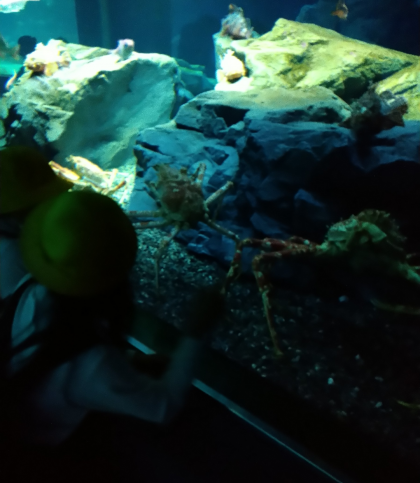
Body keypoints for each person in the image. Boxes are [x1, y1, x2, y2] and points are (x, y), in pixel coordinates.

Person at [0, 147, 224, 450]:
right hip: (55, 447)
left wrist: (131, 359)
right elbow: (163, 406)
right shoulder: (93, 365)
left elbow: (49, 352)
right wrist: (196, 333)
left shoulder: (30, 291)